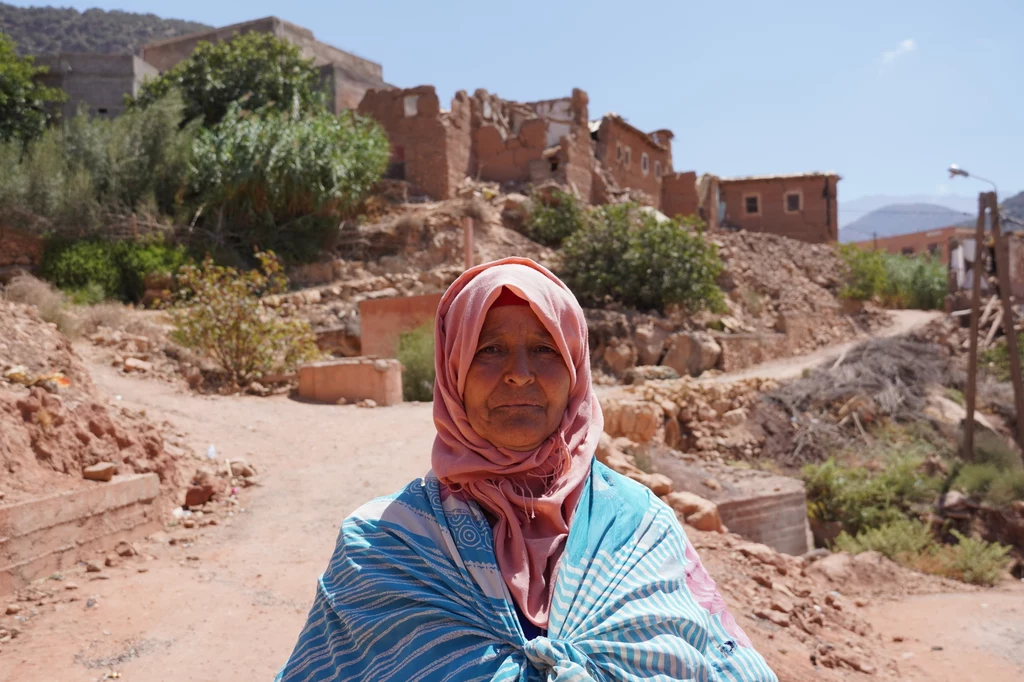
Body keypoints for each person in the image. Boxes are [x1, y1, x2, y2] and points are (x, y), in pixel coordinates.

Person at [277, 257, 777, 681]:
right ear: (453, 370)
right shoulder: (383, 545)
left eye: (544, 349)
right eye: (489, 350)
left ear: (576, 367)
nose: (519, 372)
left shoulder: (641, 526)